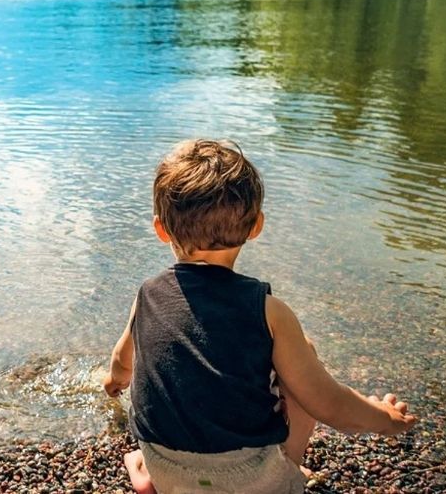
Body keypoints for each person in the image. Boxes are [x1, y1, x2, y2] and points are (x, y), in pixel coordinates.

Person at [102, 140, 417, 494]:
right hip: (251, 481)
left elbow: (121, 361)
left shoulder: (147, 295)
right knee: (303, 354)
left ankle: (146, 473)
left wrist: (114, 382)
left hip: (167, 468)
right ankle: (288, 470)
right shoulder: (269, 311)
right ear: (256, 226)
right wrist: (384, 419)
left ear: (161, 229)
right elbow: (327, 403)